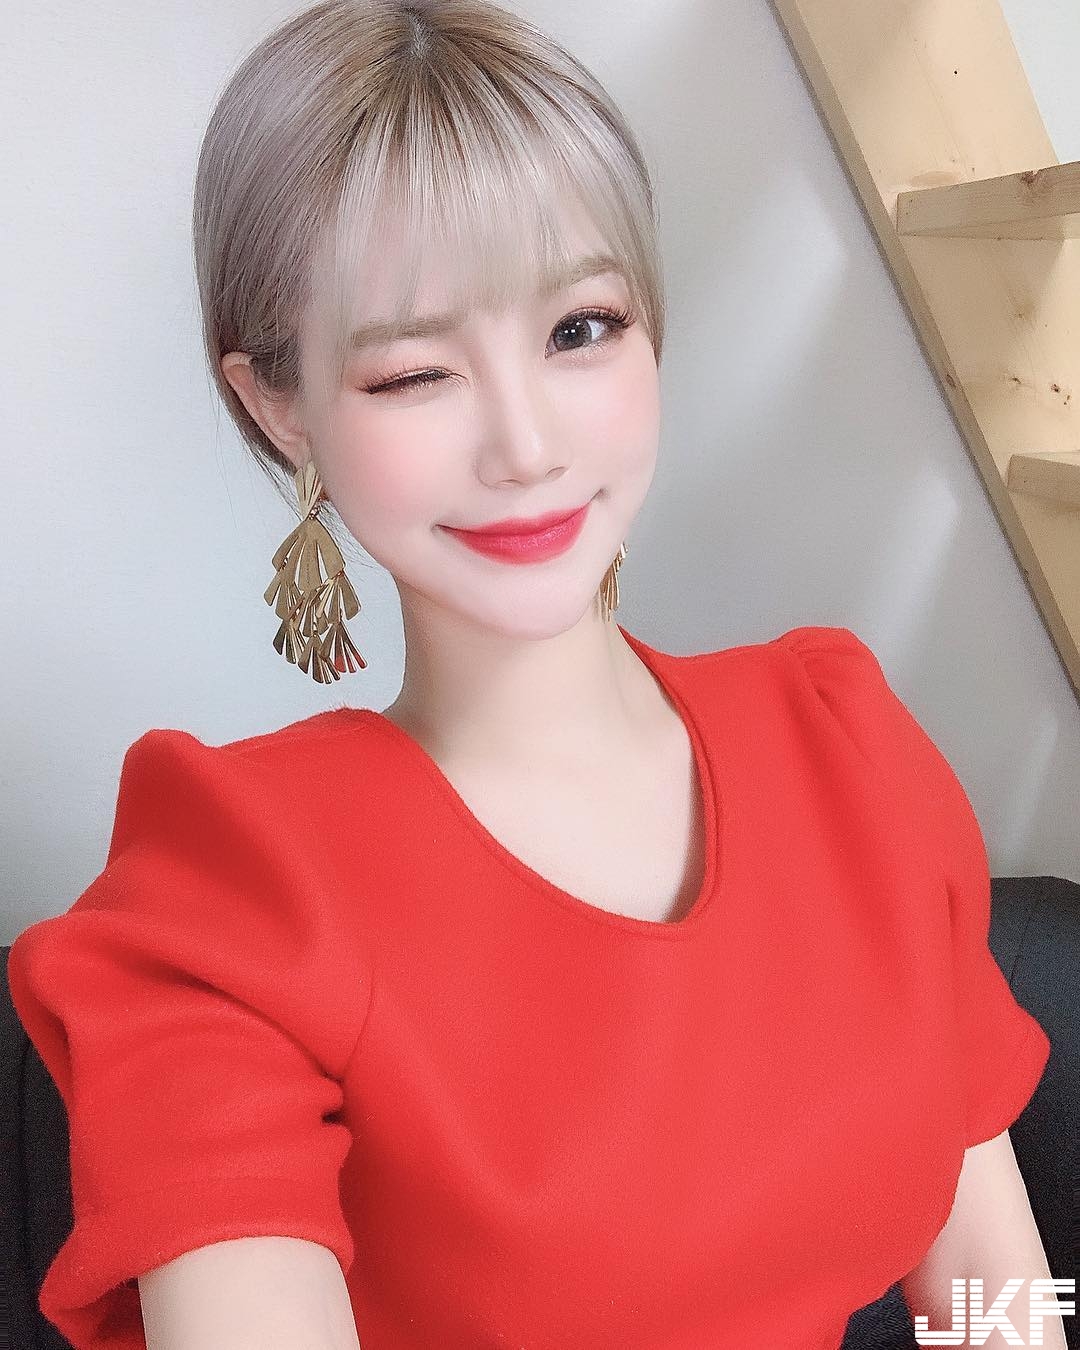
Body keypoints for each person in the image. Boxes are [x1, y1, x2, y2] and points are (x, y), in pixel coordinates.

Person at [7, 2, 1059, 1348]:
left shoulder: (842, 737)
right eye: (414, 373)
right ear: (281, 404)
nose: (525, 446)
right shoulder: (231, 888)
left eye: (581, 328)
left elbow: (995, 1298)